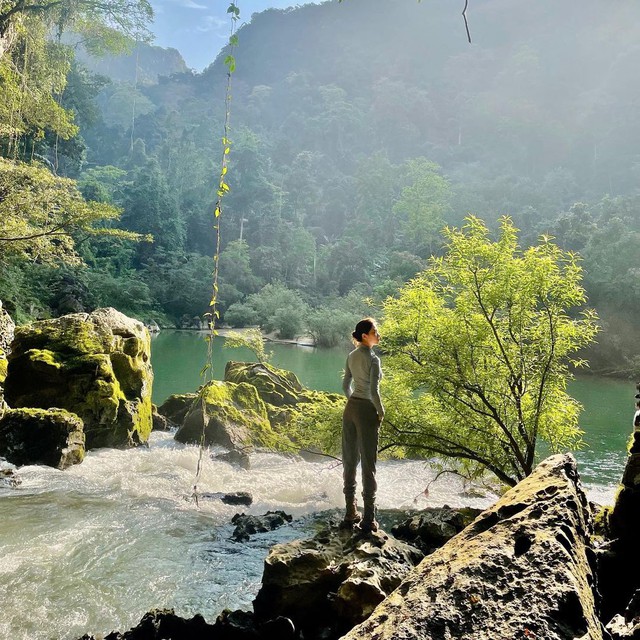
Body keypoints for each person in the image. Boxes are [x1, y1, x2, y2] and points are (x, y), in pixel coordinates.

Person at [341, 317, 384, 533]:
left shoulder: (351, 356)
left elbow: (344, 385)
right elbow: (374, 392)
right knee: (369, 464)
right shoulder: (374, 360)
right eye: (375, 331)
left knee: (349, 460)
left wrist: (353, 401)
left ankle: (350, 512)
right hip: (367, 409)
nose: (378, 334)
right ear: (365, 336)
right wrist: (380, 411)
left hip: (350, 409)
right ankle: (368, 520)